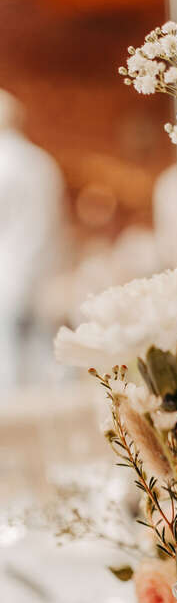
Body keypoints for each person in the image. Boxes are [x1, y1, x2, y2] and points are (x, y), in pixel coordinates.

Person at [0, 90, 65, 388]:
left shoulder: (5, 163)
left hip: (9, 273)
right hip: (43, 271)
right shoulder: (43, 163)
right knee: (42, 366)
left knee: (9, 370)